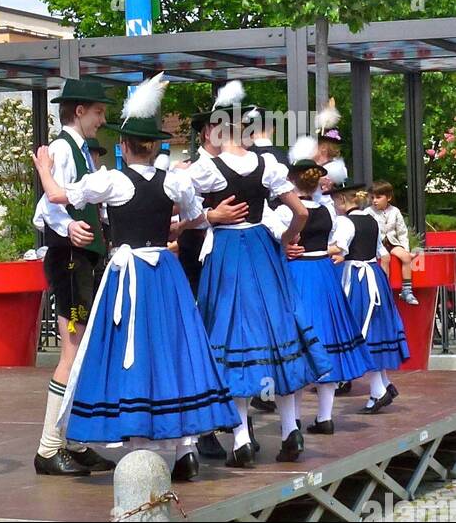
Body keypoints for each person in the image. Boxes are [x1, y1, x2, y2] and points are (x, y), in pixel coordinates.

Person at [33, 75, 239, 484]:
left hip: (127, 272)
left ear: (125, 145)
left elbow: (57, 196)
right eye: (98, 112)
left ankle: (133, 445)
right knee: (172, 348)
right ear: (156, 147)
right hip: (162, 271)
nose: (101, 120)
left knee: (127, 350)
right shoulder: (173, 179)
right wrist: (172, 228)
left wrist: (43, 170)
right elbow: (196, 217)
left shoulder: (111, 179)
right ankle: (184, 447)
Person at [188, 81, 331, 466]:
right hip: (263, 250)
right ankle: (289, 430)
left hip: (228, 252)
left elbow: (181, 210)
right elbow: (300, 212)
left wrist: (210, 216)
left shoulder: (206, 168)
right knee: (277, 333)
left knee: (230, 336)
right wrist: (286, 239)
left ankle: (240, 440)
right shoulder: (268, 164)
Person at [32, 77, 118, 478]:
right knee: (72, 348)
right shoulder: (63, 149)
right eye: (98, 112)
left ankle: (73, 441)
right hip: (69, 260)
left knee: (80, 350)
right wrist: (68, 226)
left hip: (81, 259)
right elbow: (46, 205)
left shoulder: (79, 151)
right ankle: (49, 447)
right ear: (79, 111)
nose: (102, 119)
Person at [270, 163, 376, 433]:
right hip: (324, 273)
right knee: (327, 338)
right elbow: (336, 243)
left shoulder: (285, 211)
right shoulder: (328, 210)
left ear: (292, 181)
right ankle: (325, 417)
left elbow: (277, 241)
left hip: (296, 272)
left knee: (296, 342)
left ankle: (293, 419)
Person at [331, 185, 409, 411]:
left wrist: (311, 250)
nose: (334, 205)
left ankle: (378, 391)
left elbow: (339, 248)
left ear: (342, 199)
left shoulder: (345, 222)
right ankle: (383, 384)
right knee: (372, 329)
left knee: (358, 332)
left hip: (358, 278)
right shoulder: (371, 220)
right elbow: (381, 254)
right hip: (374, 275)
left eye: (335, 200)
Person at [370, 181, 418, 306]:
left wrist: (406, 249)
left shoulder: (395, 211)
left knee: (406, 257)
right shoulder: (368, 212)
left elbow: (402, 232)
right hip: (377, 243)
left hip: (391, 242)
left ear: (388, 198)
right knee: (385, 258)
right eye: (372, 197)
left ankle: (406, 290)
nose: (374, 201)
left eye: (378, 197)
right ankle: (384, 290)